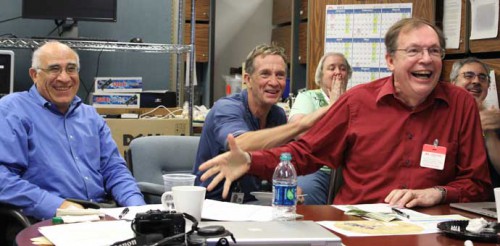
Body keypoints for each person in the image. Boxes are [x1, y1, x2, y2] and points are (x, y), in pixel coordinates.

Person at [199, 18, 492, 208]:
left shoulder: (461, 104)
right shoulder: (357, 103)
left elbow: (477, 184)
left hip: (432, 227)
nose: (426, 59)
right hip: (359, 226)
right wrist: (250, 160)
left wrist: (437, 193)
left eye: (435, 51)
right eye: (414, 51)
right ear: (390, 60)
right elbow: (305, 154)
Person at [0, 41, 146, 222]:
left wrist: (138, 208)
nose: (64, 78)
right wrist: (59, 206)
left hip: (100, 215)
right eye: (54, 69)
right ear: (34, 75)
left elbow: (114, 169)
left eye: (71, 69)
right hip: (48, 220)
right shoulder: (12, 110)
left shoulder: (90, 116)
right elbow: (3, 179)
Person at [193, 44, 329, 203]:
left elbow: (277, 160)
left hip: (252, 205)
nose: (274, 82)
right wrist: (300, 125)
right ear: (247, 80)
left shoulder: (277, 115)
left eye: (280, 75)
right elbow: (239, 143)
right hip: (213, 206)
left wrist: (291, 185)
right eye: (265, 74)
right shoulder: (226, 108)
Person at [289, 52, 352, 204]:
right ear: (320, 76)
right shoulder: (308, 97)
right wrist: (334, 106)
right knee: (307, 193)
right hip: (316, 168)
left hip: (349, 169)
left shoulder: (355, 98)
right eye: (332, 68)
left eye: (342, 68)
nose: (338, 72)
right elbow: (300, 132)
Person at [450, 57, 500, 188]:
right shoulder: (440, 116)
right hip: (445, 195)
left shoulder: (494, 119)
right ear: (453, 82)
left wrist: (490, 133)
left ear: (488, 87)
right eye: (468, 76)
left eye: (482, 78)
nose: (476, 81)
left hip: (485, 201)